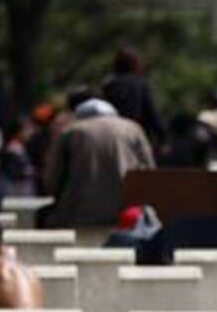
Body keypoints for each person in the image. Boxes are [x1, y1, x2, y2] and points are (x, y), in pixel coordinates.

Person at [43, 94, 155, 228]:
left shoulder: (70, 132)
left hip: (78, 211)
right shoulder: (132, 129)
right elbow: (149, 171)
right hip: (126, 212)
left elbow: (53, 177)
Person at [102, 47, 165, 150]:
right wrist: (162, 137)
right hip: (135, 135)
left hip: (112, 136)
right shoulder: (140, 83)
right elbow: (151, 112)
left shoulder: (108, 85)